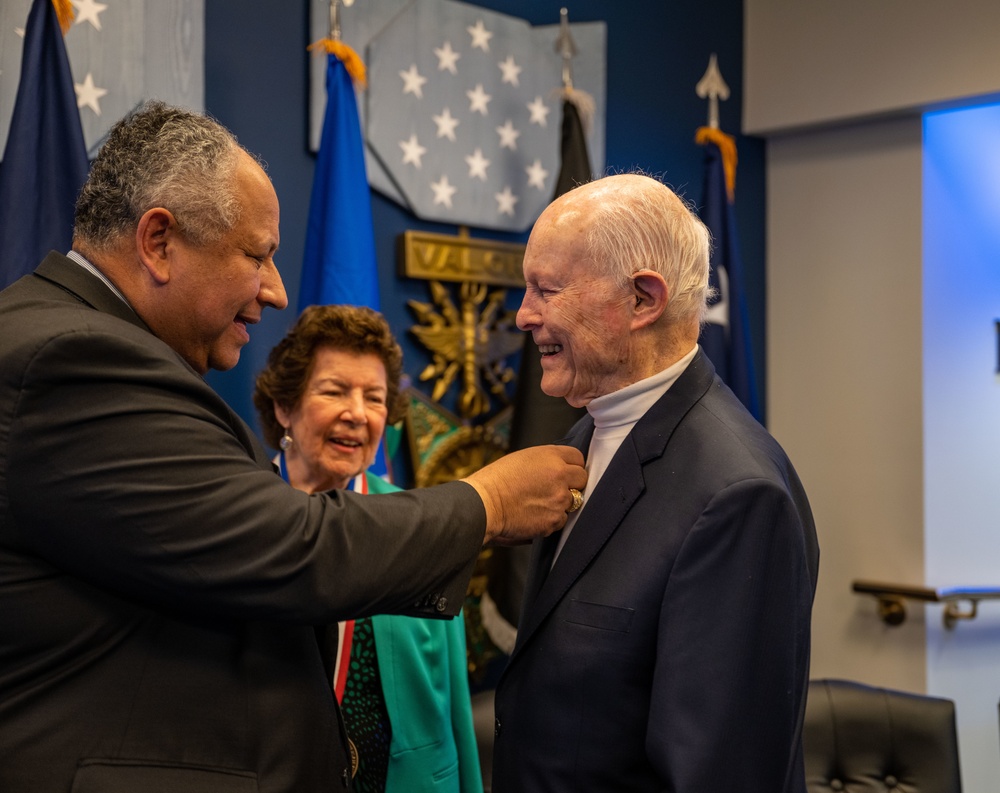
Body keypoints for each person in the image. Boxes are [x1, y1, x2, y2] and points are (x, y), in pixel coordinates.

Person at [0, 101, 586, 793]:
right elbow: (289, 546)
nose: (276, 291)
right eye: (257, 255)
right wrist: (488, 502)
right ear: (158, 241)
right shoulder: (73, 357)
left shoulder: (90, 347)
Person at [490, 173, 820, 793]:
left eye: (547, 290)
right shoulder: (584, 438)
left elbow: (720, 773)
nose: (524, 314)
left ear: (643, 299)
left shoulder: (737, 496)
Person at [253, 304, 483, 793]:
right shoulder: (241, 521)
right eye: (334, 390)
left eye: (374, 398)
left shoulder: (422, 526)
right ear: (284, 406)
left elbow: (455, 705)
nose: (357, 413)